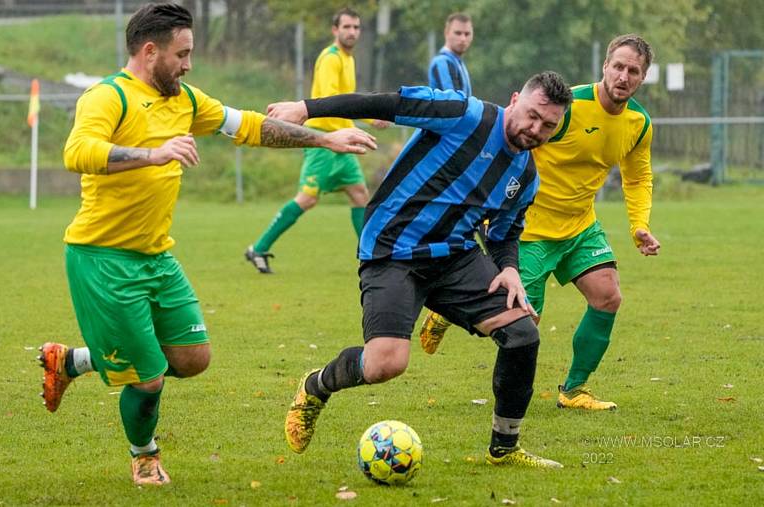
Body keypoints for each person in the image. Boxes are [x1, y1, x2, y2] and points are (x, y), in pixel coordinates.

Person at [37, 2, 376, 487]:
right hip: (103, 259)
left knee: (193, 359)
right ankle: (145, 456)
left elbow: (252, 126)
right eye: (182, 53)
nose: (188, 63)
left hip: (156, 256)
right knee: (148, 378)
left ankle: (71, 360)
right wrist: (152, 154)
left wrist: (325, 141)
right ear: (150, 51)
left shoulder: (186, 100)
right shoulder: (107, 97)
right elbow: (78, 152)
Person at [269, 72, 573, 468]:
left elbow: (503, 233)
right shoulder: (464, 114)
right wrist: (306, 109)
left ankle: (505, 447)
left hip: (455, 258)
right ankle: (315, 387)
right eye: (532, 116)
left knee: (522, 335)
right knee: (386, 364)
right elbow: (387, 102)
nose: (536, 129)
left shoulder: (525, 177)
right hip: (393, 251)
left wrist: (510, 269)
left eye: (548, 125)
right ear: (515, 99)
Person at [420, 34, 661, 411]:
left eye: (633, 71)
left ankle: (574, 389)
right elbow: (512, 140)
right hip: (528, 229)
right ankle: (447, 310)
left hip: (580, 226)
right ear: (605, 66)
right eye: (618, 66)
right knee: (521, 325)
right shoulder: (569, 106)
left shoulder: (638, 124)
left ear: (643, 77)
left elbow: (638, 177)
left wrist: (639, 225)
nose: (623, 76)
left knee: (608, 296)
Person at [245, 7, 389, 274]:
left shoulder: (349, 59)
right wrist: (361, 121)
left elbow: (348, 99)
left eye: (356, 27)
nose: (352, 32)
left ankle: (368, 258)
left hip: (343, 143)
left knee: (360, 195)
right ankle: (258, 248)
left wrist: (370, 118)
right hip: (325, 141)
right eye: (346, 27)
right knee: (307, 199)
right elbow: (331, 102)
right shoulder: (330, 58)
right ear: (335, 30)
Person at [428, 12, 473, 96]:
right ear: (446, 33)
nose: (463, 38)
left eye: (467, 34)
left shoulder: (457, 62)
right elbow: (455, 102)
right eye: (458, 33)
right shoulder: (442, 62)